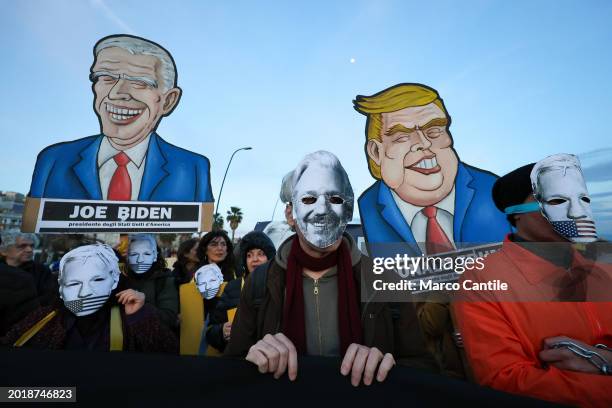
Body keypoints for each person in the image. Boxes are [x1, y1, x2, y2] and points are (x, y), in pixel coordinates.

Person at [226, 151, 436, 386]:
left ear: (347, 212)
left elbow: (422, 366)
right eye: (308, 200)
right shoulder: (261, 283)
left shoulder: (386, 279)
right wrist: (254, 359)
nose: (323, 210)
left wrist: (388, 365)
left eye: (336, 199)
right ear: (291, 214)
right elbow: (232, 365)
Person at [452, 155, 612, 407]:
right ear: (516, 213)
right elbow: (505, 381)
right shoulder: (480, 279)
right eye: (556, 199)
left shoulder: (604, 271)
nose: (576, 212)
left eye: (583, 198)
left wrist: (605, 362)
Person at [28, 34, 213, 202]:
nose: (117, 93)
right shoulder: (54, 160)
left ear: (168, 101)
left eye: (140, 82)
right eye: (106, 77)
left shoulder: (192, 169)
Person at [354, 83, 510, 251]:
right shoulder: (369, 206)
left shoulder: (493, 191)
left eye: (434, 131)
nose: (424, 143)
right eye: (402, 137)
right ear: (376, 152)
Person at [2, 244, 178, 353]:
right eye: (73, 283)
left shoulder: (130, 315)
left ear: (114, 279)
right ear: (61, 284)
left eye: (97, 279)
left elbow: (168, 355)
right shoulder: (44, 318)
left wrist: (140, 316)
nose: (85, 292)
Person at [206, 231, 276, 353]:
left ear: (269, 258)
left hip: (272, 358)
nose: (254, 259)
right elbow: (211, 331)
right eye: (249, 255)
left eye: (261, 254)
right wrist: (222, 331)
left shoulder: (279, 286)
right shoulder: (233, 287)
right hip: (238, 359)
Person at [0, 232, 57, 335]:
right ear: (4, 250)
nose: (29, 250)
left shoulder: (41, 271)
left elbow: (48, 299)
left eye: (31, 246)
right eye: (22, 246)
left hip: (26, 330)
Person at [119, 234, 179, 331]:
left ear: (155, 256)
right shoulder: (121, 279)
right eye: (134, 254)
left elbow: (170, 319)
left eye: (147, 254)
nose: (140, 260)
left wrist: (143, 305)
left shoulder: (164, 280)